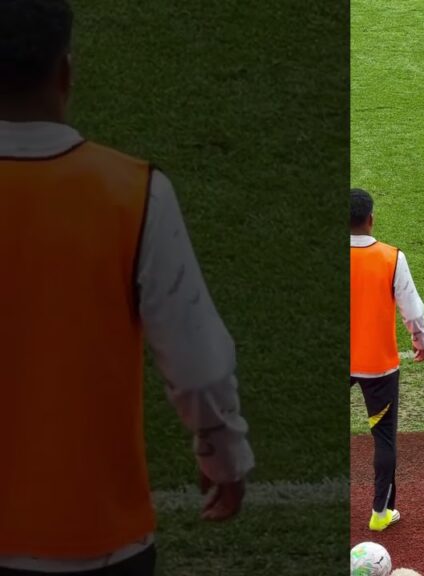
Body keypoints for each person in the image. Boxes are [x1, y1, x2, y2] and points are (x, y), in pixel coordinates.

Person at [0, 1, 254, 574]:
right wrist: (223, 456)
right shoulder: (134, 193)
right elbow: (199, 366)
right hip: (95, 539)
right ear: (66, 72)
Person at [350, 188, 424, 531]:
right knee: (383, 438)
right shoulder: (391, 257)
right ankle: (380, 513)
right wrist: (420, 338)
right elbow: (411, 308)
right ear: (371, 219)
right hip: (377, 365)